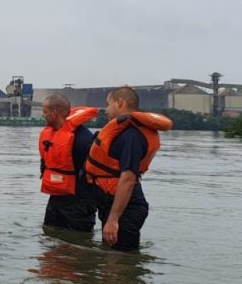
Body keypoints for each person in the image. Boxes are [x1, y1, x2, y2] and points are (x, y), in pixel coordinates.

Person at [84, 86, 173, 251]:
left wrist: (113, 220)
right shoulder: (122, 131)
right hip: (114, 206)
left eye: (108, 104)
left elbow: (128, 178)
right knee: (112, 265)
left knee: (119, 265)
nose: (106, 109)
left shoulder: (131, 135)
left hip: (126, 210)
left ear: (119, 103)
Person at [38, 93, 99, 232]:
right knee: (49, 235)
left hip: (80, 202)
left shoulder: (83, 139)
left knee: (78, 243)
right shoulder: (50, 136)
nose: (43, 115)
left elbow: (94, 174)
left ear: (54, 113)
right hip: (56, 198)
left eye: (45, 112)